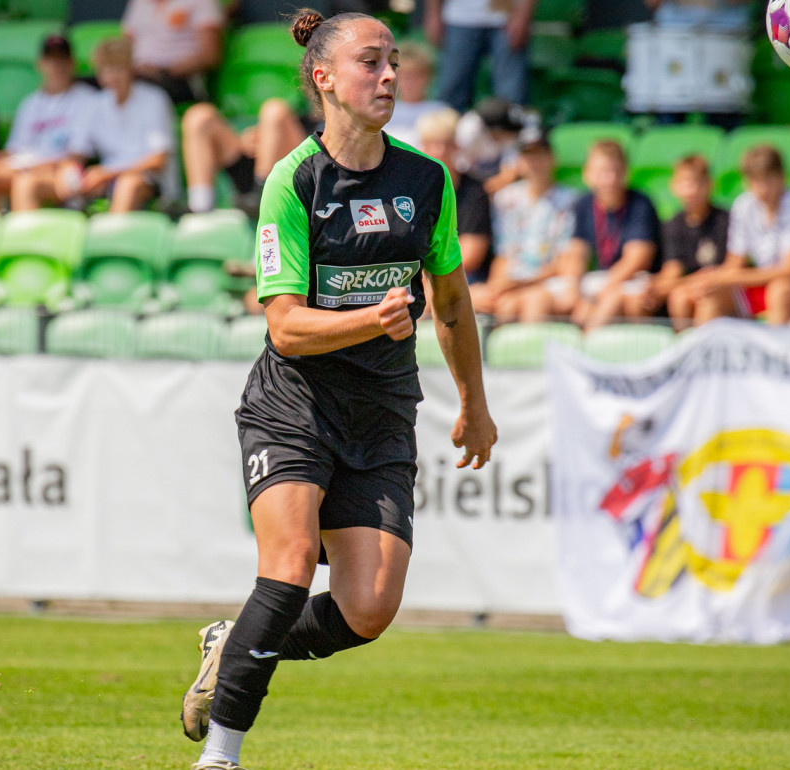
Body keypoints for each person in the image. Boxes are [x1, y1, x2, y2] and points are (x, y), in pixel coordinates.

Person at [178, 11, 495, 770]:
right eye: (370, 62)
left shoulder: (427, 180)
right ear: (323, 78)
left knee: (370, 608)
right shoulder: (293, 181)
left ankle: (234, 642)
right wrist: (369, 319)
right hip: (294, 405)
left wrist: (475, 406)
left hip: (381, 412)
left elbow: (451, 303)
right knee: (287, 568)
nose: (388, 76)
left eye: (394, 62)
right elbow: (286, 328)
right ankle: (220, 755)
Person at [670, 145, 790, 326]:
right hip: (763, 283)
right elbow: (735, 263)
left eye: (768, 180)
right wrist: (711, 280)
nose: (762, 189)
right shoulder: (744, 206)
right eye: (756, 181)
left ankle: (773, 344)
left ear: (782, 177)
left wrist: (724, 277)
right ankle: (705, 344)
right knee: (710, 296)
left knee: (780, 291)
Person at [0, 35, 96, 212]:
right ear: (40, 64)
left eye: (62, 60)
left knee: (25, 183)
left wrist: (29, 168)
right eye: (50, 60)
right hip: (22, 167)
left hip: (59, 173)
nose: (56, 66)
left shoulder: (87, 100)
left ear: (72, 63)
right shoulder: (30, 103)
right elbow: (15, 149)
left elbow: (76, 156)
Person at [546, 139, 659, 332]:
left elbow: (636, 260)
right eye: (601, 172)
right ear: (587, 174)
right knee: (545, 297)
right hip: (600, 279)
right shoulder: (583, 204)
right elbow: (576, 253)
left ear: (625, 172)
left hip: (630, 280)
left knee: (613, 301)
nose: (609, 180)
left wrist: (595, 298)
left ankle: (585, 343)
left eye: (614, 171)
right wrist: (574, 291)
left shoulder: (640, 203)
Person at [56, 37, 173, 213]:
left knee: (127, 184)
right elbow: (77, 152)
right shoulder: (94, 104)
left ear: (130, 68)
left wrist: (107, 173)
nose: (112, 76)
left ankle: (112, 231)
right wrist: (67, 170)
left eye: (118, 68)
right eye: (106, 70)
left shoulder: (153, 99)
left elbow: (157, 160)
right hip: (107, 181)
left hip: (150, 181)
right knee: (40, 183)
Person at [478, 136, 577, 320]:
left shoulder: (570, 200)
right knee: (488, 301)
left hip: (547, 282)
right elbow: (503, 254)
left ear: (552, 159)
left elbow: (563, 261)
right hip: (512, 282)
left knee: (531, 302)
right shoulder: (505, 198)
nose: (535, 163)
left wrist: (519, 283)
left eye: (540, 156)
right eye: (528, 157)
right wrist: (496, 286)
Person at [642, 153, 729, 326]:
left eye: (697, 183)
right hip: (688, 288)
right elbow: (673, 268)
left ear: (710, 184)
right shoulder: (673, 225)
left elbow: (720, 272)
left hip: (719, 290)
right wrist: (655, 286)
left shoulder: (725, 221)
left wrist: (667, 286)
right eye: (684, 183)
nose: (691, 190)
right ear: (674, 186)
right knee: (676, 298)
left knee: (699, 300)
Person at [180, 97, 306, 214]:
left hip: (291, 163)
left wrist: (269, 136)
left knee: (274, 111)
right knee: (199, 117)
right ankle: (200, 205)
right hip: (246, 157)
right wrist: (252, 138)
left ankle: (263, 196)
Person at [416, 108, 491, 296]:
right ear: (422, 147)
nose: (439, 151)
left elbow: (471, 255)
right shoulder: (412, 191)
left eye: (446, 144)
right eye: (432, 144)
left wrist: (429, 280)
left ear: (456, 146)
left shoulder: (474, 192)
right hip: (420, 276)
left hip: (463, 276)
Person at [425, 0, 534, 111]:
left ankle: (511, 121)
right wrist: (434, 14)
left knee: (512, 96)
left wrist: (522, 15)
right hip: (458, 19)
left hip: (507, 18)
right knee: (451, 95)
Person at [122, 0, 225, 105]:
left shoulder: (202, 2)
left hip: (181, 81)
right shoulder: (139, 3)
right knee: (115, 82)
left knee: (136, 87)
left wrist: (162, 71)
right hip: (139, 76)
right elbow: (126, 46)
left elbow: (209, 56)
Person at [379, 43, 451, 150]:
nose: (410, 83)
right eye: (405, 76)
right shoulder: (382, 111)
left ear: (429, 78)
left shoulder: (442, 112)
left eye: (416, 76)